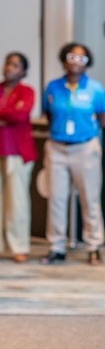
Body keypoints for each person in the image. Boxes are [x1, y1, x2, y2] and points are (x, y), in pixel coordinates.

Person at [41, 43, 105, 266]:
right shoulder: (53, 87)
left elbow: (104, 120)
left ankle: (93, 246)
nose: (76, 62)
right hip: (57, 148)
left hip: (85, 147)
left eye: (82, 58)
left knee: (90, 197)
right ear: (64, 60)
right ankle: (56, 247)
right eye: (72, 57)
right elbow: (48, 114)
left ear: (88, 63)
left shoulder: (95, 89)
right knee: (56, 198)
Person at [0, 52, 37, 262]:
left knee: (17, 201)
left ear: (23, 71)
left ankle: (19, 246)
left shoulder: (26, 91)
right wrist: (7, 114)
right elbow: (10, 114)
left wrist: (7, 115)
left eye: (15, 65)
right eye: (8, 64)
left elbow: (19, 115)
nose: (9, 68)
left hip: (17, 151)